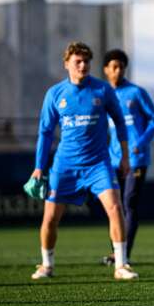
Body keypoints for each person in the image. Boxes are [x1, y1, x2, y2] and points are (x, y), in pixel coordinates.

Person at [30, 42, 139, 280]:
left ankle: (121, 265)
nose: (83, 65)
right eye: (77, 61)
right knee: (50, 218)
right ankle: (47, 265)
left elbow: (120, 122)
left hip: (98, 164)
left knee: (115, 208)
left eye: (86, 61)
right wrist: (39, 167)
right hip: (65, 166)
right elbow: (45, 133)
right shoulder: (55, 94)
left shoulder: (102, 90)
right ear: (66, 64)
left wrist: (125, 157)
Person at [99, 49, 154, 265]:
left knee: (129, 203)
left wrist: (140, 143)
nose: (118, 71)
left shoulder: (136, 93)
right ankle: (116, 252)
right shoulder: (102, 94)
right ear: (106, 70)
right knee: (113, 205)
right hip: (113, 159)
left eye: (121, 67)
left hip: (136, 159)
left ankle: (124, 254)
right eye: (114, 67)